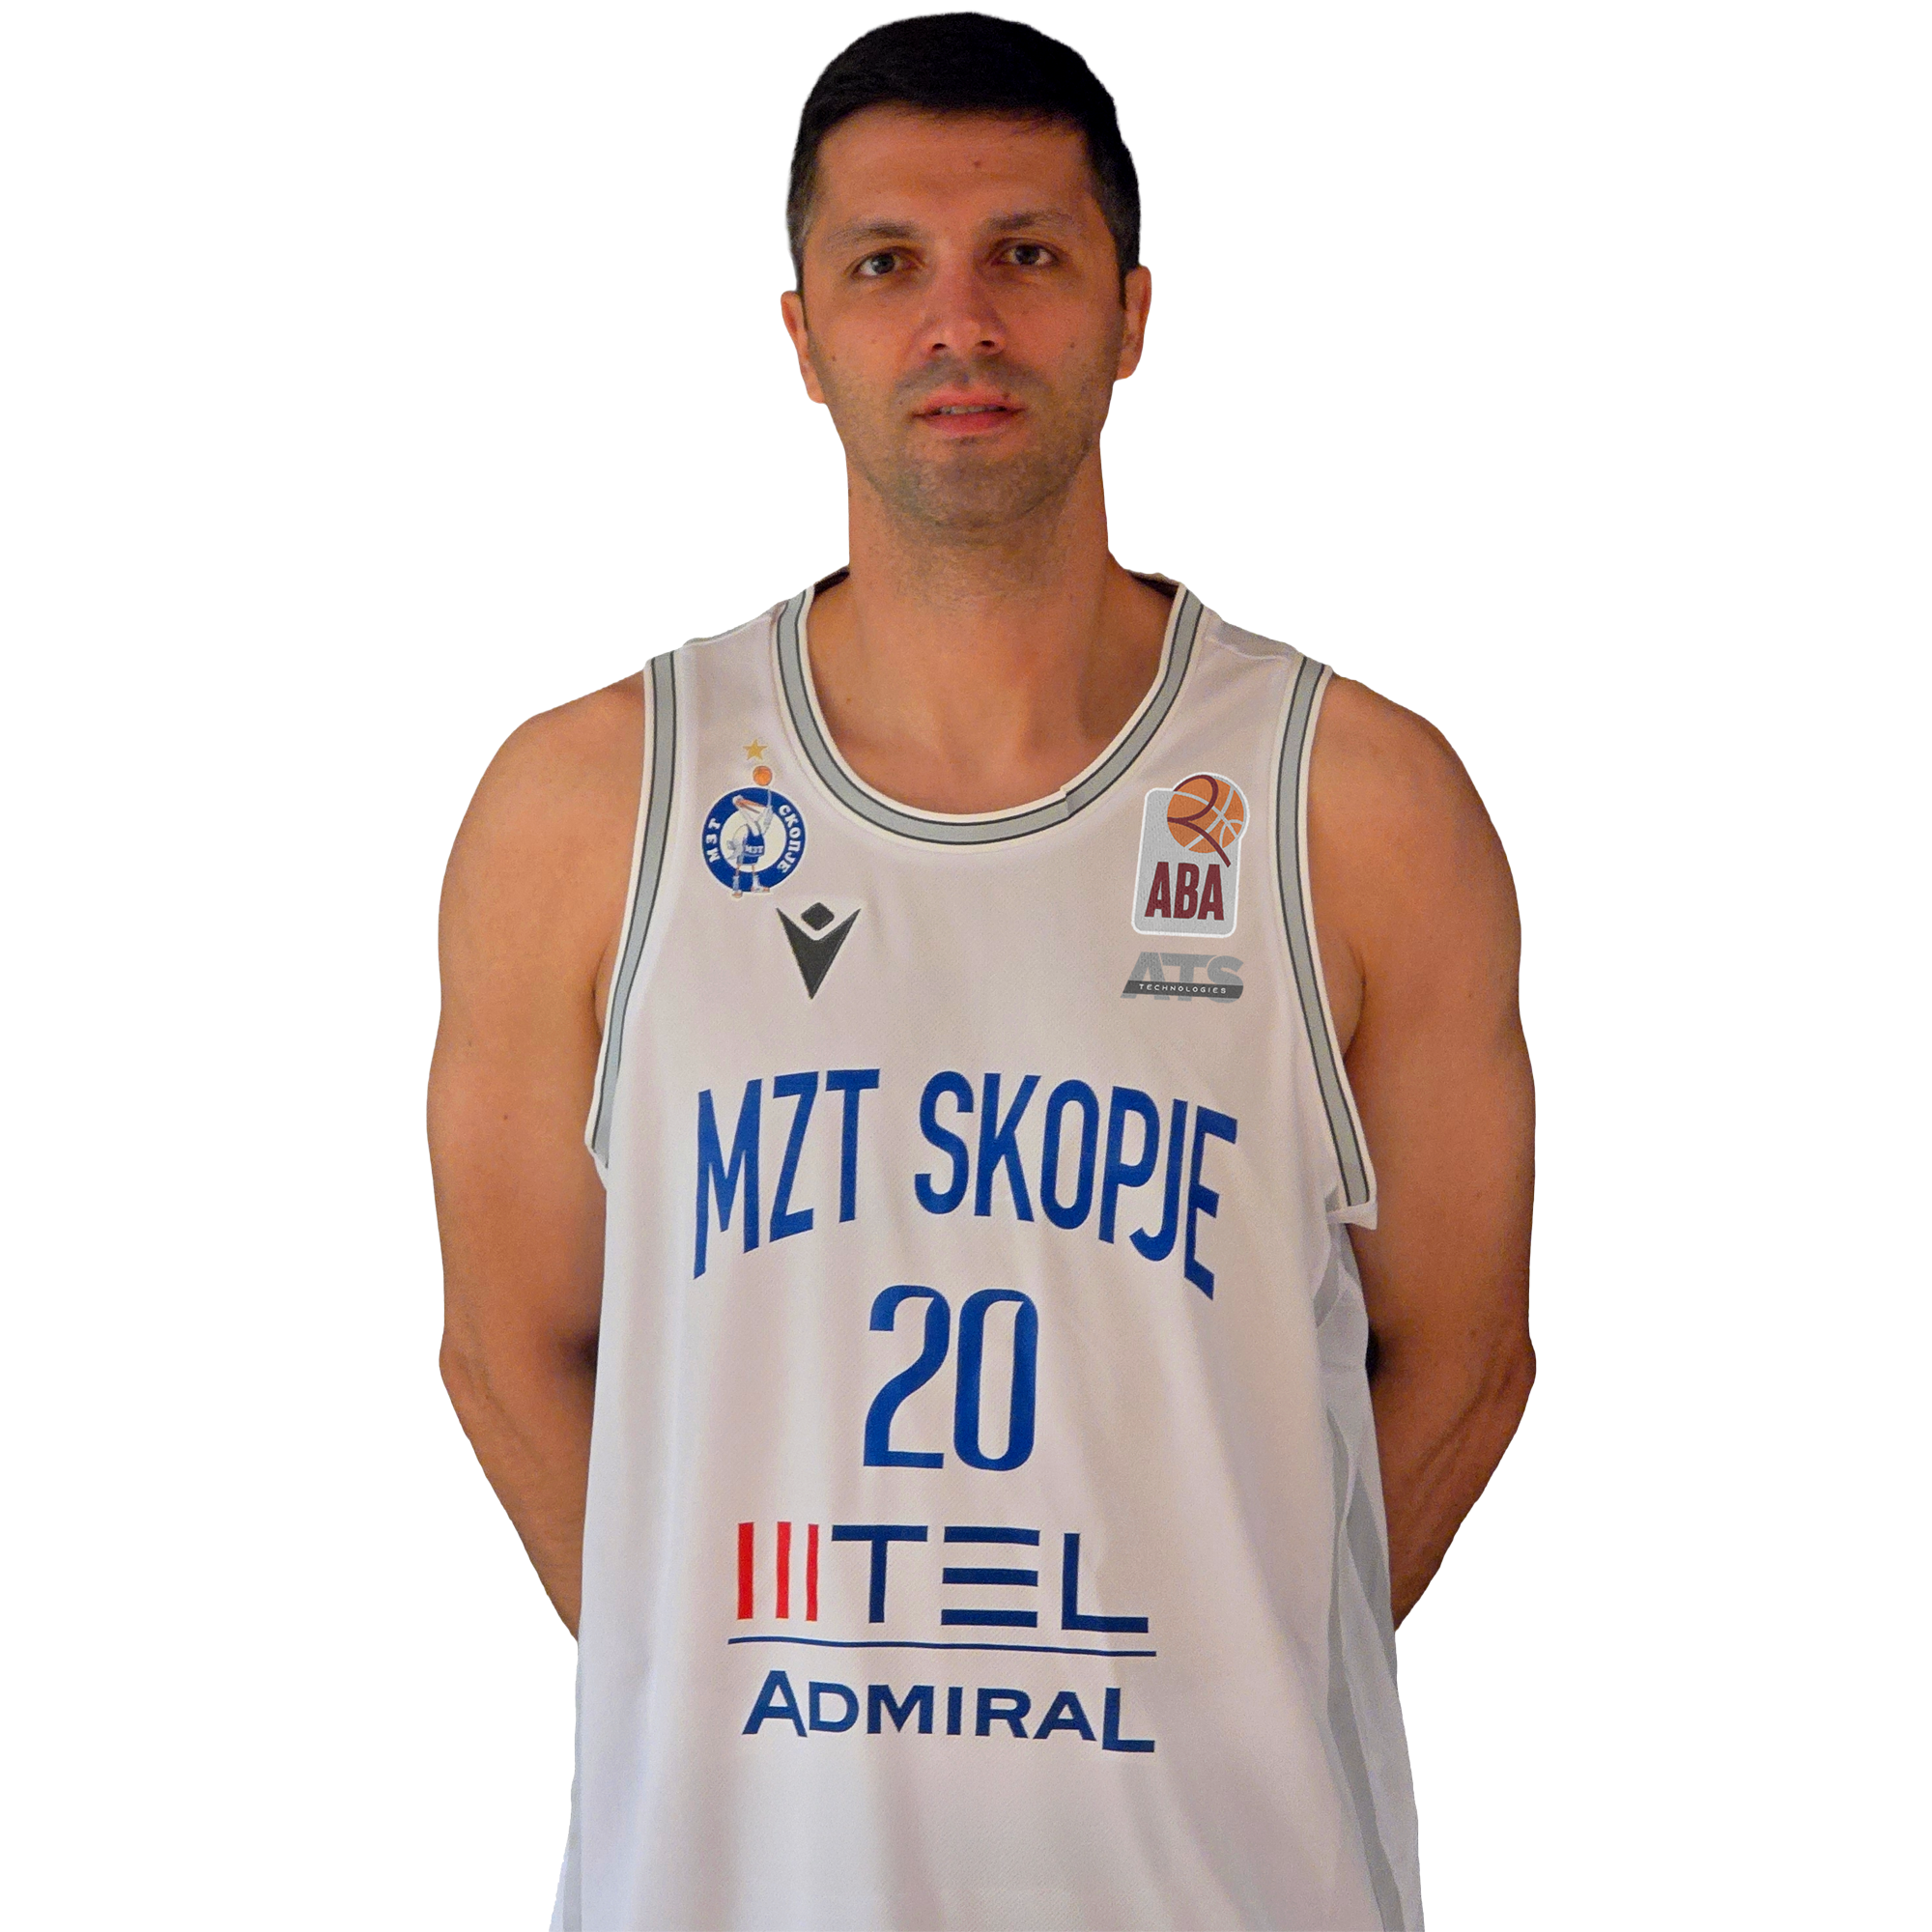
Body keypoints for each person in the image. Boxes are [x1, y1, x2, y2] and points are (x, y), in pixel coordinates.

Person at [428, 13, 1535, 1930]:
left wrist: (1211, 1673)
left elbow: (1464, 1361)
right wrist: (738, 1704)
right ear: (802, 334)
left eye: (1025, 253)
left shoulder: (1351, 803)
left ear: (1129, 311)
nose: (960, 321)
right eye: (887, 265)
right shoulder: (593, 802)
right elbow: (509, 1352)